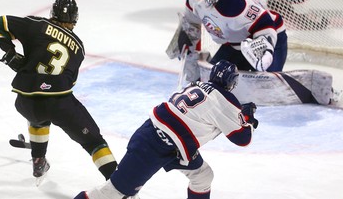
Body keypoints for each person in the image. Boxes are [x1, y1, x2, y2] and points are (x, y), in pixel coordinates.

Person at [74, 60, 259, 199]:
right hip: (155, 144)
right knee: (111, 193)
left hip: (170, 143)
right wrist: (248, 118)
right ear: (231, 81)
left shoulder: (197, 84)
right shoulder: (225, 100)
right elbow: (243, 138)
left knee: (202, 175)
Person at [0, 0, 117, 183]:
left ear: (52, 13)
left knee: (38, 117)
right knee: (94, 142)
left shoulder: (36, 25)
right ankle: (122, 188)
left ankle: (39, 159)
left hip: (24, 101)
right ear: (75, 18)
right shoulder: (79, 47)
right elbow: (70, 84)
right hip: (59, 104)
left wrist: (10, 53)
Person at [167, 0, 288, 84]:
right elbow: (190, 23)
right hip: (235, 43)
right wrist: (186, 46)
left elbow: (266, 24)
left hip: (270, 36)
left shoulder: (235, 3)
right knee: (211, 81)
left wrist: (266, 52)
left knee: (267, 86)